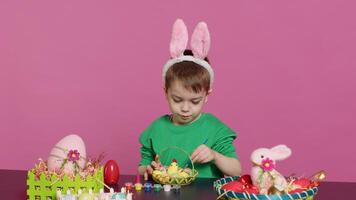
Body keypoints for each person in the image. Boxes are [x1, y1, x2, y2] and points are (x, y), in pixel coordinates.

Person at [137, 19, 241, 178]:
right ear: (166, 93)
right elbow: (142, 167)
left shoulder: (215, 129)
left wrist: (215, 156)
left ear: (207, 95)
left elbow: (236, 170)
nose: (185, 108)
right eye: (177, 100)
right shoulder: (156, 129)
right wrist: (148, 170)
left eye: (195, 101)